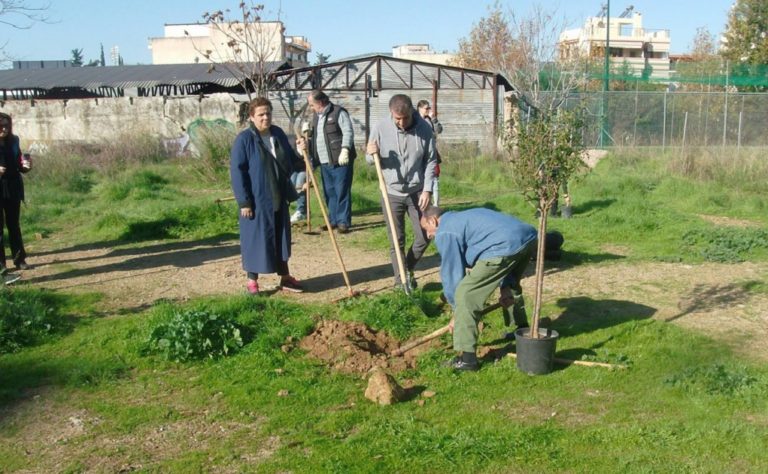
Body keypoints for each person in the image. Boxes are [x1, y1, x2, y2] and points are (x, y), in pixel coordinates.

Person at [420, 206, 537, 371]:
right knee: (511, 287)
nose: (428, 235)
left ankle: (467, 360)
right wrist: (505, 285)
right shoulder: (463, 218)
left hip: (504, 245)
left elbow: (452, 273)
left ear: (433, 220)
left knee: (465, 294)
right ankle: (523, 331)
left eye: (427, 229)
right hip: (527, 238)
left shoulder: (446, 231)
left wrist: (457, 312)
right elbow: (494, 242)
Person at [230, 97, 306, 295]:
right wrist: (244, 201)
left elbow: (290, 161)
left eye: (268, 113)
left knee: (281, 237)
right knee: (255, 239)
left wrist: (301, 151)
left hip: (278, 195)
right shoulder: (244, 140)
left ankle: (285, 277)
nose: (266, 117)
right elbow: (238, 172)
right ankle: (252, 281)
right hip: (256, 199)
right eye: (261, 114)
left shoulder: (278, 134)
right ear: (252, 117)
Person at [366, 94, 438, 290]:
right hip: (391, 191)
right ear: (391, 113)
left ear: (411, 112)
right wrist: (372, 154)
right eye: (397, 119)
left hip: (417, 191)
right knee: (396, 239)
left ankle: (407, 268)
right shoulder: (380, 127)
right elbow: (369, 158)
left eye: (405, 118)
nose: (401, 122)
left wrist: (427, 189)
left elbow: (431, 160)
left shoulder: (424, 129)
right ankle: (401, 282)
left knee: (424, 235)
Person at [306, 90, 356, 233]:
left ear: (320, 102)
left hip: (340, 160)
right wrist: (308, 134)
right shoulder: (317, 116)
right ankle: (333, 220)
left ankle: (343, 222)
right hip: (323, 161)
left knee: (341, 191)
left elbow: (348, 131)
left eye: (311, 104)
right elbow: (317, 137)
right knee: (329, 192)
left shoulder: (338, 112)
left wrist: (345, 149)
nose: (311, 108)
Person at [0, 112, 31, 281]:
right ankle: (1, 267)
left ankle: (19, 259)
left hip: (12, 186)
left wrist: (26, 166)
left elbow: (19, 164)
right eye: (1, 125)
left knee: (14, 225)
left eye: (7, 125)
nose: (4, 129)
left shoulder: (14, 141)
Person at [416, 100, 443, 206]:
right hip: (418, 152)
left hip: (431, 151)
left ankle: (435, 205)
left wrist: (434, 119)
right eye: (426, 108)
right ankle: (423, 202)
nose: (429, 110)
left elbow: (439, 130)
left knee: (434, 176)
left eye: (429, 108)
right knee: (420, 178)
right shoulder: (415, 120)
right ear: (420, 108)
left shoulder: (429, 120)